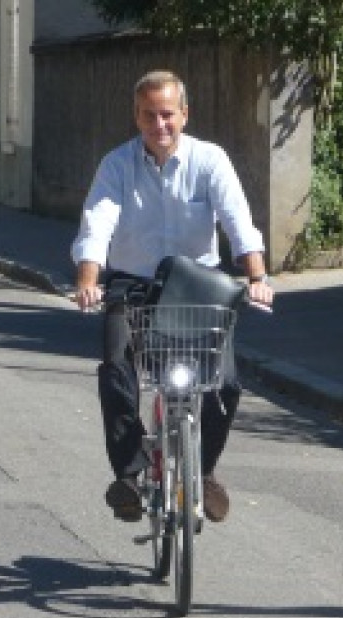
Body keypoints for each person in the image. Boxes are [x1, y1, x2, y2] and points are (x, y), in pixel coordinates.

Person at [72, 69, 274, 524]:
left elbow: (237, 218)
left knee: (225, 384)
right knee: (116, 369)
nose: (158, 125)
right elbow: (97, 223)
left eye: (167, 114)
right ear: (136, 116)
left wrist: (257, 275)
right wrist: (89, 279)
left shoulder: (210, 161)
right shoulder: (117, 165)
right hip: (133, 285)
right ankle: (129, 472)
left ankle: (203, 471)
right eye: (149, 116)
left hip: (197, 287)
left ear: (184, 114)